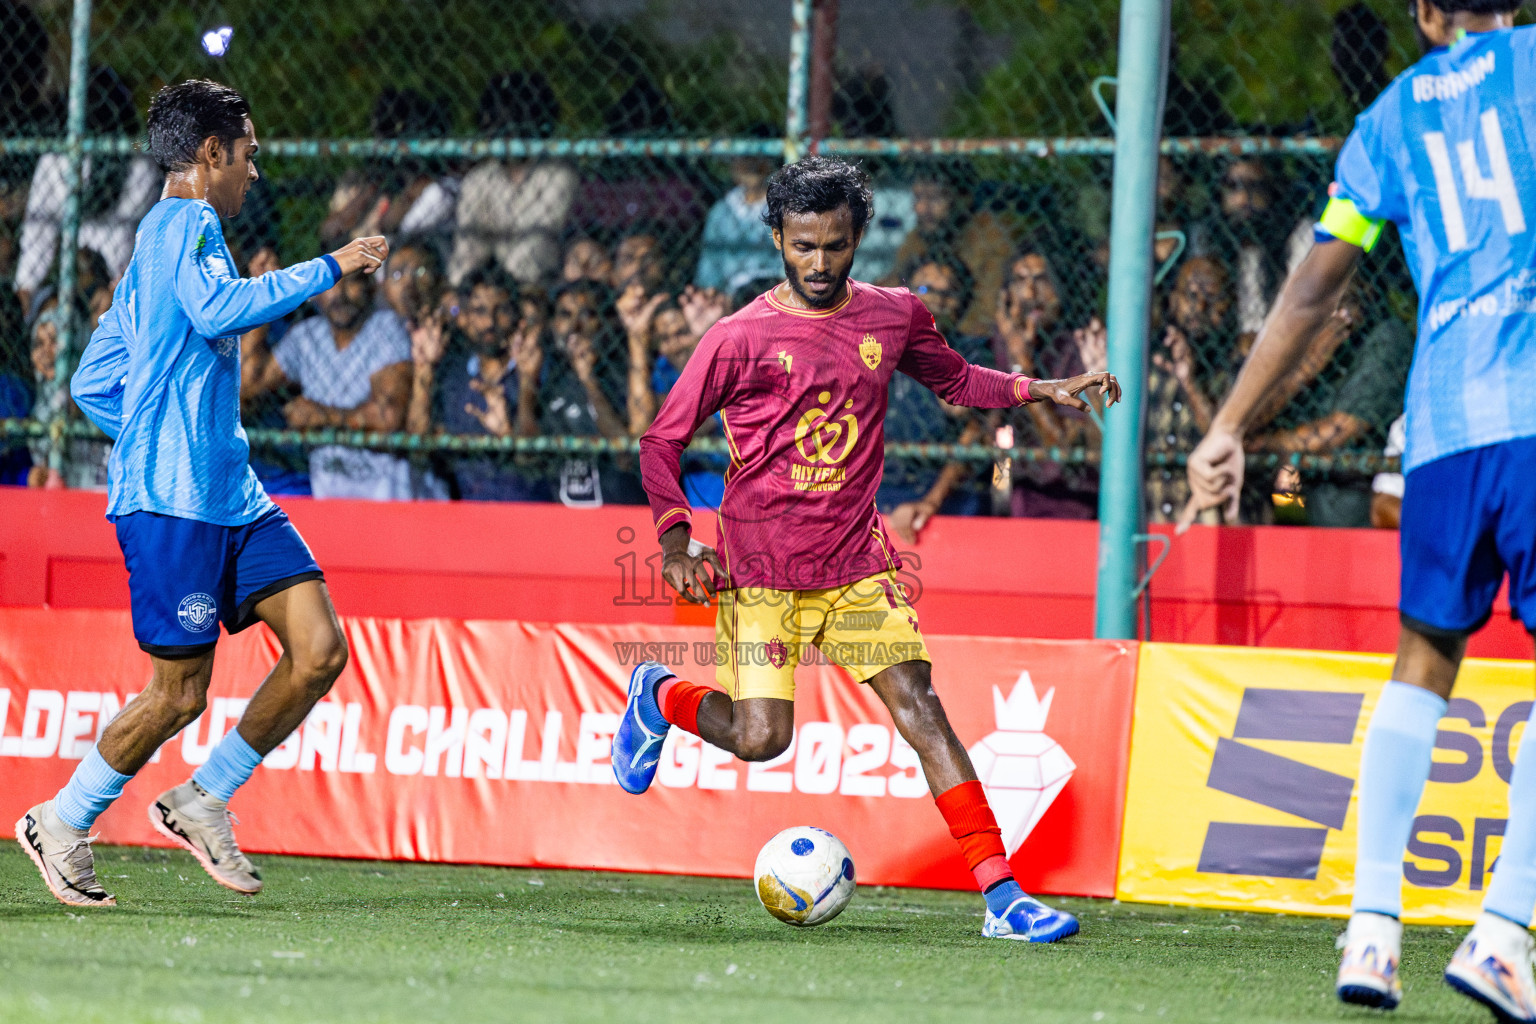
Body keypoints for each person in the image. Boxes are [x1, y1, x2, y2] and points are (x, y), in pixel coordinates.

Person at [612, 156, 1119, 943]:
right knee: (760, 739)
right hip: (761, 575)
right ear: (779, 236)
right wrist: (676, 538)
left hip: (856, 568)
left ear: (860, 240)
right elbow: (661, 441)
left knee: (922, 709)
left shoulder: (895, 315)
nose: (820, 264)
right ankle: (659, 695)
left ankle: (1003, 897)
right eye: (804, 246)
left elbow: (955, 381)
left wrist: (1038, 390)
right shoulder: (737, 338)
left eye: (837, 246)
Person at [1179, 5, 1536, 1018]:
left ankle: (1372, 931)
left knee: (1423, 661)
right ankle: (1504, 929)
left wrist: (1231, 424)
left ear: (1426, 14)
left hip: (1443, 427)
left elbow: (1307, 292)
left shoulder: (1387, 118)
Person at [13, 79, 387, 908]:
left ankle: (202, 798)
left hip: (232, 492)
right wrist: (337, 262)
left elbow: (91, 379)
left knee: (321, 649)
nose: (255, 170)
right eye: (248, 153)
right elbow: (221, 309)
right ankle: (62, 820)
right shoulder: (185, 225)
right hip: (175, 501)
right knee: (179, 693)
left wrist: (154, 422)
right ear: (211, 154)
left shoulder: (156, 250)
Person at [242, 262, 421, 500]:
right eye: (330, 285)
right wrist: (265, 297)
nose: (341, 294)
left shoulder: (386, 328)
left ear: (370, 288)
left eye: (352, 282)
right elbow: (246, 384)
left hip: (389, 499)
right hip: (330, 500)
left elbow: (388, 416)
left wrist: (323, 416)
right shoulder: (306, 336)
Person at [15, 67, 161, 311]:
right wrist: (27, 292)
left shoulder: (139, 162)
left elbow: (140, 237)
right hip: (71, 281)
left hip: (117, 283)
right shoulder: (57, 160)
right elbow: (37, 239)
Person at [406, 264, 548, 501]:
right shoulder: (452, 376)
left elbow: (530, 459)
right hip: (468, 515)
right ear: (462, 318)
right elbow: (417, 448)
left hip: (530, 510)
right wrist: (424, 368)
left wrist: (526, 385)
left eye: (501, 310)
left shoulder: (538, 369)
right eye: (479, 311)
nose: (490, 322)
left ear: (516, 315)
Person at [447, 72, 575, 287]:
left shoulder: (558, 174)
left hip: (543, 282)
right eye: (499, 128)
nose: (507, 137)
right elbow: (469, 246)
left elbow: (537, 245)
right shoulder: (479, 179)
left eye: (515, 126)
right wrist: (461, 289)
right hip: (490, 282)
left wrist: (507, 290)